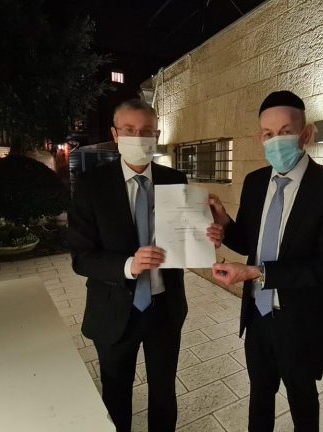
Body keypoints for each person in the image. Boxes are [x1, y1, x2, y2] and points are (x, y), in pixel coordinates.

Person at [68, 99, 223, 432]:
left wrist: (208, 235)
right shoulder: (91, 185)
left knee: (164, 392)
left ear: (157, 135)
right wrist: (128, 264)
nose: (138, 138)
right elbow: (81, 257)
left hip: (164, 307)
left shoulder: (175, 179)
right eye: (129, 130)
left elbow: (187, 238)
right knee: (115, 393)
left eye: (146, 131)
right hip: (113, 310)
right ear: (115, 134)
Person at [209, 91, 323, 431]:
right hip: (258, 316)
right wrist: (224, 223)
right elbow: (249, 241)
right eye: (268, 134)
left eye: (286, 131)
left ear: (306, 134)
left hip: (300, 321)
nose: (276, 141)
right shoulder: (255, 182)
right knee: (259, 395)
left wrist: (256, 272)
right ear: (261, 138)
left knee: (302, 401)